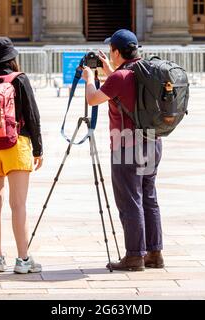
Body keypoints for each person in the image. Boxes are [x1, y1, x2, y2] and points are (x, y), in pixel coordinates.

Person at [81, 29, 164, 272]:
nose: (109, 55)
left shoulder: (119, 78)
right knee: (149, 198)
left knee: (130, 201)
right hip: (152, 141)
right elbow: (125, 88)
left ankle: (134, 256)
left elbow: (93, 99)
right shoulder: (146, 71)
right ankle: (154, 253)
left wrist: (89, 77)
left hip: (126, 145)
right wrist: (109, 71)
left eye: (110, 51)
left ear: (117, 52)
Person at [0, 37, 44, 274]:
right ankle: (23, 259)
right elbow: (33, 116)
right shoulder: (19, 79)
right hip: (17, 144)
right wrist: (38, 149)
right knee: (18, 204)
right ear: (12, 57)